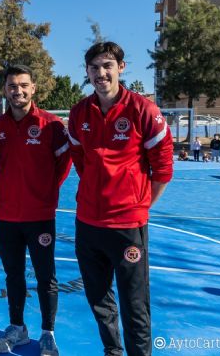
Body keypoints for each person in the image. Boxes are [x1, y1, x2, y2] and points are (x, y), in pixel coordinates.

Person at [68, 42, 173, 356]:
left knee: (134, 304)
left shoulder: (143, 110)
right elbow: (80, 160)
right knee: (98, 299)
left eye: (107, 66)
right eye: (95, 68)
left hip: (127, 225)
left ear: (121, 68)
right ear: (87, 72)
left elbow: (163, 169)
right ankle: (112, 351)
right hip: (87, 224)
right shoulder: (79, 112)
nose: (101, 73)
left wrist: (139, 205)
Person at [0, 65, 71, 356]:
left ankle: (48, 332)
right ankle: (17, 328)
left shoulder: (52, 125)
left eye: (23, 85)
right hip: (5, 216)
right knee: (13, 275)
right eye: (12, 86)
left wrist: (45, 192)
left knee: (46, 276)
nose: (17, 91)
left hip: (40, 216)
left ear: (33, 88)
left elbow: (64, 164)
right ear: (5, 90)